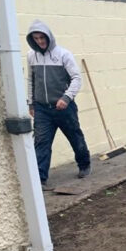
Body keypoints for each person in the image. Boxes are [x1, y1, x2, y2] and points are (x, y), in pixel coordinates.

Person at [26, 20, 91, 190]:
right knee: (41, 142)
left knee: (75, 136)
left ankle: (84, 164)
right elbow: (31, 80)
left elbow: (76, 79)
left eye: (42, 37)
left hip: (63, 107)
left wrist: (66, 98)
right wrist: (31, 103)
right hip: (42, 109)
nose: (40, 41)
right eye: (36, 38)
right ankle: (40, 178)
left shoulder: (63, 55)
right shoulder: (31, 56)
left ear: (48, 36)